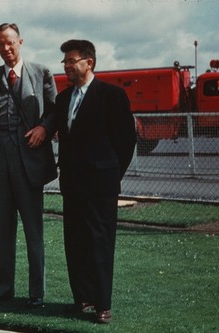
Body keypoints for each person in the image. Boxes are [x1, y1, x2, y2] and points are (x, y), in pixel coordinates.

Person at [54, 40, 136, 323]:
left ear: (89, 63)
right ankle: (83, 299)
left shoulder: (112, 95)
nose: (66, 66)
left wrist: (111, 174)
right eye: (64, 61)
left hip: (100, 186)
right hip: (72, 185)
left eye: (71, 61)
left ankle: (103, 305)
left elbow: (126, 141)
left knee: (99, 243)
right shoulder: (63, 99)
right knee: (75, 242)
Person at [0, 23, 57, 308]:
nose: (6, 48)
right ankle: (2, 291)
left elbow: (54, 111)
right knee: (3, 230)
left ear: (20, 42)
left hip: (29, 160)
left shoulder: (41, 72)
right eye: (0, 44)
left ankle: (36, 294)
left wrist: (44, 129)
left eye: (10, 42)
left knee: (33, 230)